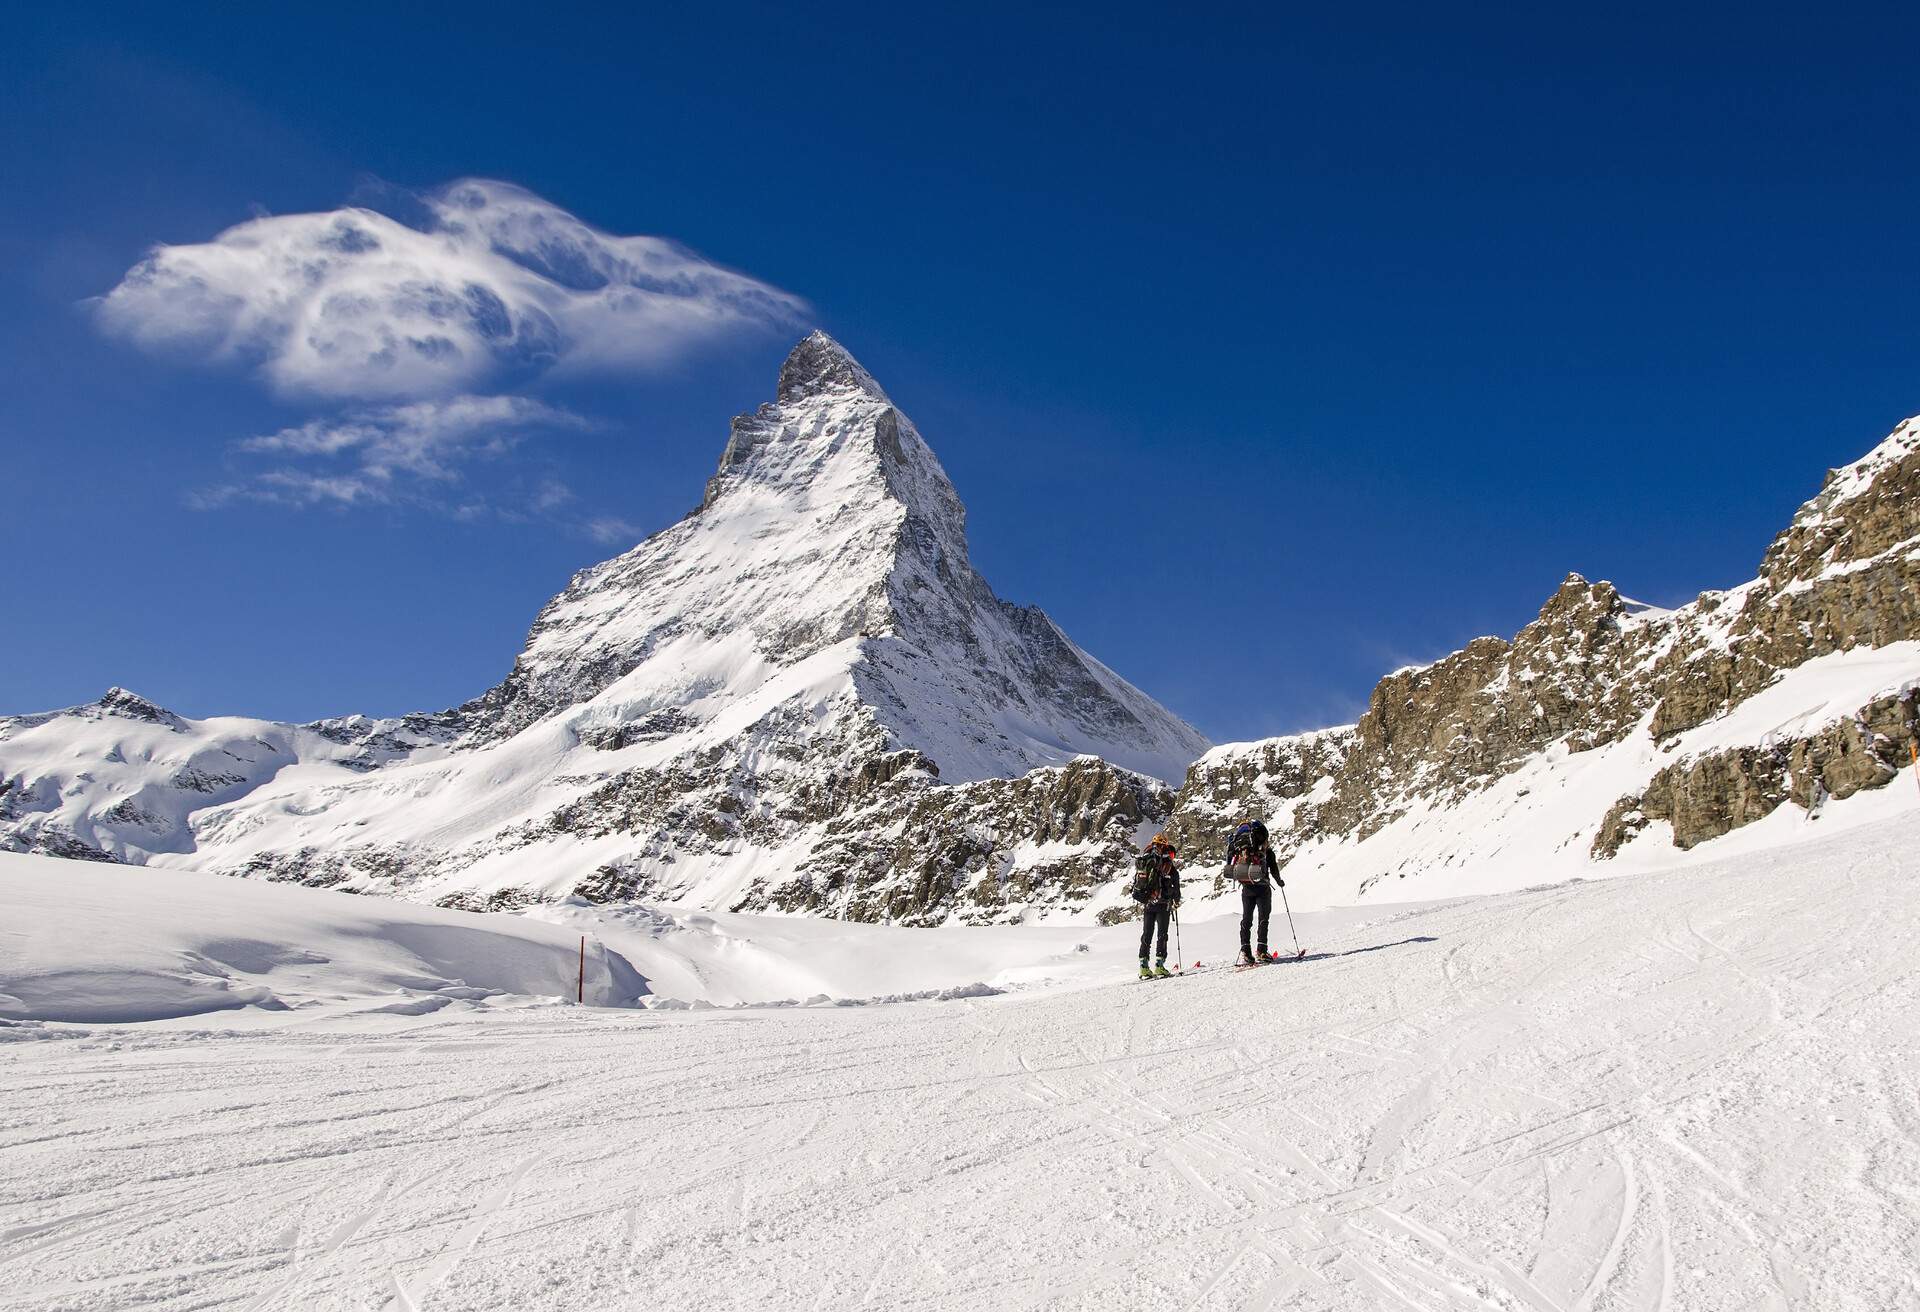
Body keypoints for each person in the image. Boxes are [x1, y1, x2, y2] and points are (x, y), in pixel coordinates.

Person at [1225, 819, 1282, 966]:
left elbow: (1229, 860)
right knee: (1263, 919)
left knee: (1246, 920)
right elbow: (1273, 867)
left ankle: (1246, 951)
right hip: (1262, 887)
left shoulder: (1239, 847)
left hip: (1247, 888)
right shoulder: (1265, 850)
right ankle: (1261, 951)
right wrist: (1279, 881)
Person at [1131, 834, 1181, 979]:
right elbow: (1175, 887)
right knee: (1162, 934)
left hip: (1148, 902)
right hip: (1163, 903)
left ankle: (1143, 967)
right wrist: (1176, 901)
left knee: (1147, 934)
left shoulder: (1145, 860)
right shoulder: (1168, 865)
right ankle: (1159, 965)